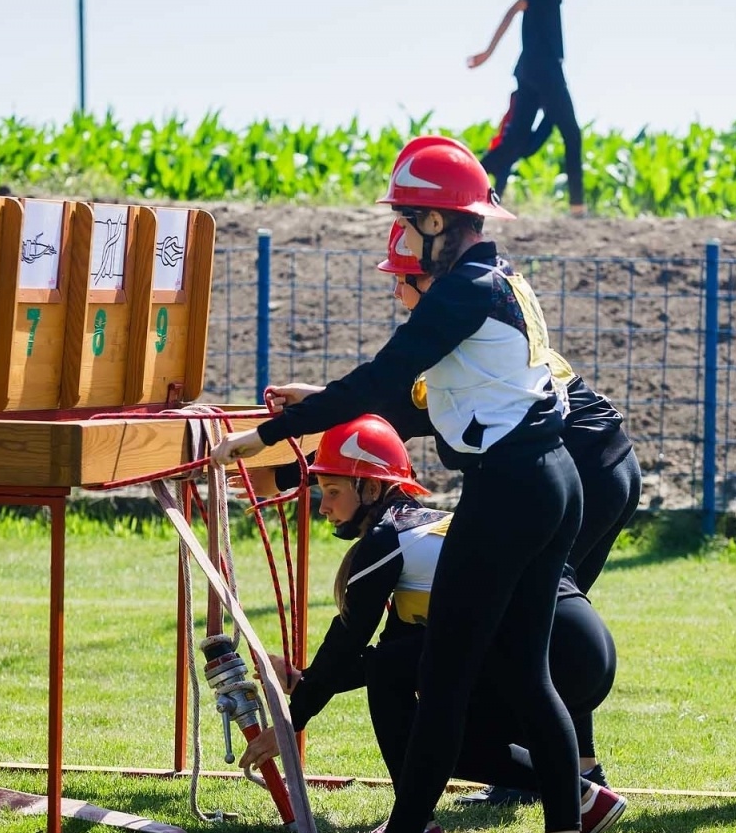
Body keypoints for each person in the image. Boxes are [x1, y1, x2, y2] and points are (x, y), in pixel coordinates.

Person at [215, 136, 592, 833]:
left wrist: (265, 434)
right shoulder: (498, 278)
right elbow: (413, 393)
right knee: (524, 670)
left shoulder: (458, 289)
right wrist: (315, 402)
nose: (402, 236)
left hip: (509, 492)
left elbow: (383, 375)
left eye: (407, 216)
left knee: (447, 679)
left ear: (432, 221)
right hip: (552, 482)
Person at [235, 414, 626, 833]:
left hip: (558, 646)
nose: (322, 506)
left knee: (416, 704)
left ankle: (414, 829)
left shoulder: (388, 538)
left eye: (333, 491)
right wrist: (305, 680)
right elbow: (395, 654)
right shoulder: (421, 528)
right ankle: (581, 797)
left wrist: (292, 722)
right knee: (438, 728)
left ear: (372, 488)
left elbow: (349, 641)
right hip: (587, 649)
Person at [275, 219, 641, 595]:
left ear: (432, 282)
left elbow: (388, 419)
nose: (397, 295)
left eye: (402, 280)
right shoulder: (481, 322)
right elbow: (398, 403)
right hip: (612, 463)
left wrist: (284, 473)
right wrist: (319, 398)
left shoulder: (457, 325)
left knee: (520, 610)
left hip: (586, 473)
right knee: (546, 613)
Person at [470, 0, 586, 217]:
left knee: (515, 142)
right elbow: (514, 9)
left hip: (530, 69)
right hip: (545, 69)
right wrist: (488, 52)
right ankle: (578, 209)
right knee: (572, 133)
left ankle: (466, 178)